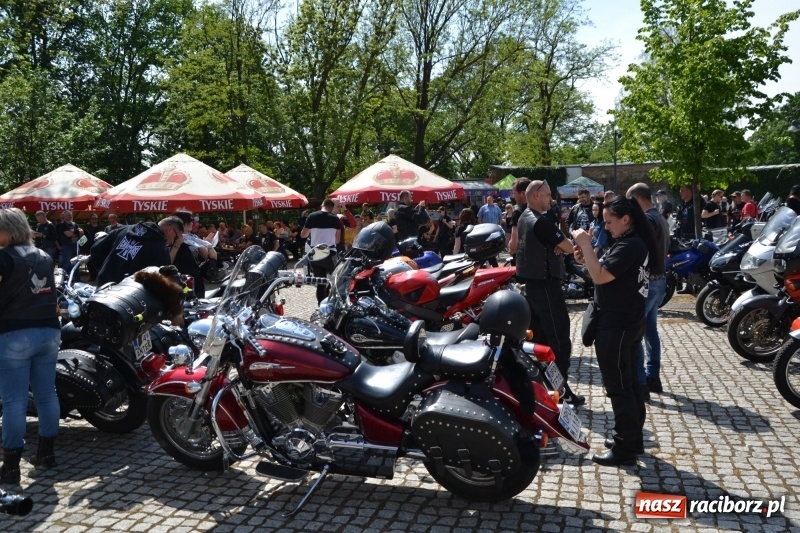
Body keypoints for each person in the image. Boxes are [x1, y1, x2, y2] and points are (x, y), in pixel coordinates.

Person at [571, 195, 657, 466]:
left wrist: (586, 244)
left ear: (626, 219)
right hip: (626, 322)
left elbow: (600, 276)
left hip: (618, 324)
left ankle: (624, 448)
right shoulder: (629, 242)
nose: (605, 226)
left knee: (619, 387)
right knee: (629, 383)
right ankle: (632, 438)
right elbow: (601, 271)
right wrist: (586, 256)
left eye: (609, 222)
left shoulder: (630, 245)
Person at [0, 208, 61, 483]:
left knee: (14, 400)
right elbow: (53, 295)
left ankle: (11, 467)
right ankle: (46, 453)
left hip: (14, 332)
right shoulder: (44, 256)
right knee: (47, 394)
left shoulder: (3, 257)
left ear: (8, 230)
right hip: (48, 331)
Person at [515, 180, 583, 406]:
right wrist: (564, 245)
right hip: (545, 287)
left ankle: (548, 389)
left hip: (533, 287)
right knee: (559, 339)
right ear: (535, 196)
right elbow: (570, 247)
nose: (551, 199)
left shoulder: (524, 217)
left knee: (540, 340)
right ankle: (561, 392)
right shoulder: (539, 221)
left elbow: (558, 244)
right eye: (547, 195)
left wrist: (559, 245)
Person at [627, 183, 671, 400]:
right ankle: (652, 376)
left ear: (637, 199)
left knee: (636, 333)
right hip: (659, 281)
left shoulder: (648, 220)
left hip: (648, 283)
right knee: (650, 330)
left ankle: (641, 382)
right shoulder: (659, 217)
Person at [90, 220, 170, 286]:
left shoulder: (124, 229)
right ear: (170, 230)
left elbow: (96, 248)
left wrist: (104, 269)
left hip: (105, 283)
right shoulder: (160, 248)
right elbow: (160, 276)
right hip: (131, 291)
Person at [300, 199, 341, 303]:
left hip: (316, 253)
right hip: (330, 252)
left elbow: (303, 235)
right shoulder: (335, 219)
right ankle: (332, 302)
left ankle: (321, 304)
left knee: (320, 282)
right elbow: (337, 240)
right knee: (334, 280)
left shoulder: (312, 216)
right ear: (331, 208)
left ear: (322, 205)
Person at [159, 217, 202, 296]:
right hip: (176, 286)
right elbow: (166, 264)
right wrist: (176, 245)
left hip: (188, 285)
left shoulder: (186, 243)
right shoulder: (164, 244)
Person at [508, 177, 531, 257]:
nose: (513, 196)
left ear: (523, 194)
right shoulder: (543, 210)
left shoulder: (518, 213)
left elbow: (514, 245)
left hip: (524, 258)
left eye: (515, 193)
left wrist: (511, 248)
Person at [81, 214, 104, 281]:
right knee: (90, 263)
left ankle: (100, 276)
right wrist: (81, 248)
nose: (94, 220)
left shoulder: (101, 227)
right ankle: (92, 277)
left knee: (99, 262)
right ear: (90, 219)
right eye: (93, 218)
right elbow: (83, 237)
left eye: (96, 218)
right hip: (89, 248)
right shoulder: (86, 227)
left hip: (99, 248)